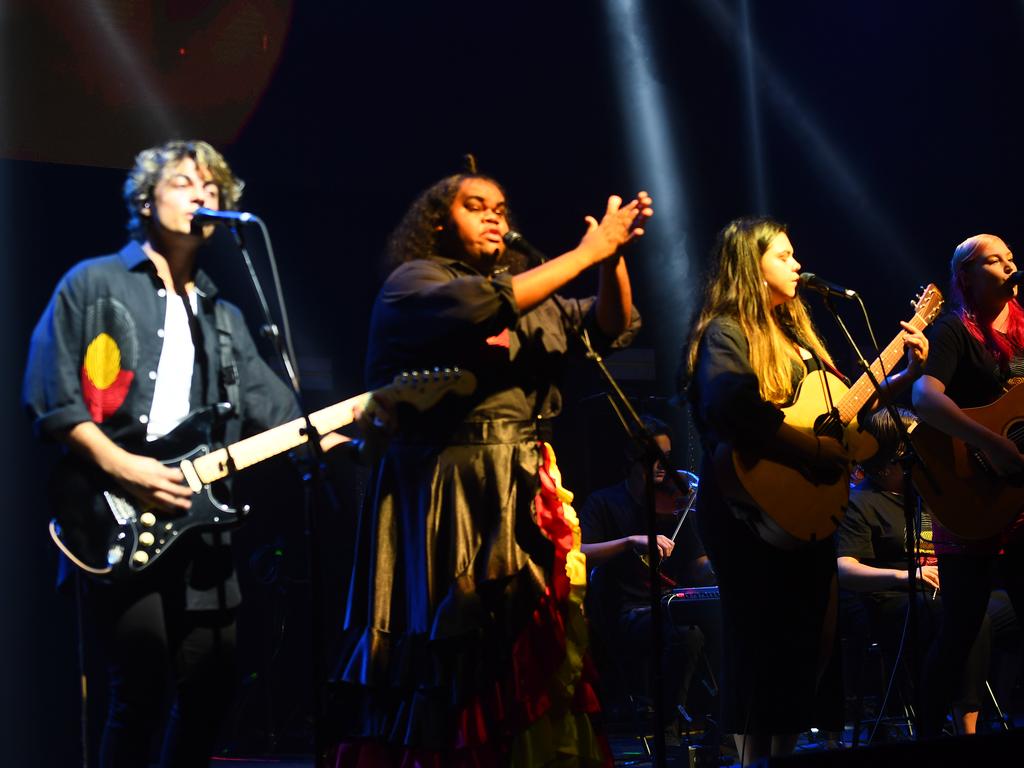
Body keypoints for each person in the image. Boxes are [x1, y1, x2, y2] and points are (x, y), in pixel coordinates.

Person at [23, 140, 345, 767]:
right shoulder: (93, 284)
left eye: (215, 189)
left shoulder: (222, 316)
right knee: (137, 693)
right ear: (145, 200)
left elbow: (280, 414)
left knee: (211, 692)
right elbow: (50, 399)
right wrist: (128, 470)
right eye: (185, 183)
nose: (204, 195)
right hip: (113, 515)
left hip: (200, 534)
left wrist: (352, 431)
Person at [330, 169, 652, 766]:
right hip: (450, 487)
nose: (493, 217)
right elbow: (483, 307)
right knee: (464, 642)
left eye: (500, 207)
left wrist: (613, 259)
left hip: (524, 476)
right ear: (438, 222)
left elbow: (611, 325)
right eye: (475, 206)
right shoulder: (417, 282)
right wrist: (588, 251)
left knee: (533, 640)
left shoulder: (533, 293)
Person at [681, 216, 927, 765]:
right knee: (758, 645)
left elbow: (840, 417)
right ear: (751, 264)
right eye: (784, 255)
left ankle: (782, 756)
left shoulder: (798, 339)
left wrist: (902, 378)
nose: (797, 265)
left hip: (807, 513)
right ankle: (751, 761)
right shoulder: (726, 331)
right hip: (747, 510)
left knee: (809, 645)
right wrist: (813, 451)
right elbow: (732, 408)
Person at [912, 233, 1024, 737]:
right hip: (970, 492)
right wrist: (993, 443)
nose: (1009, 265)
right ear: (966, 278)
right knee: (960, 629)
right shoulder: (954, 331)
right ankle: (929, 733)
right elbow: (924, 397)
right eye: (994, 260)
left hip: (1019, 500)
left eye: (1011, 257)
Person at [836, 407, 993, 735]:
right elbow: (844, 567)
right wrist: (906, 576)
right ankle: (968, 728)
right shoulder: (861, 503)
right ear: (889, 462)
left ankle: (993, 711)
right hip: (894, 601)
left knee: (1001, 610)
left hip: (943, 592)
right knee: (964, 616)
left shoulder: (931, 496)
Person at [579, 414, 717, 741]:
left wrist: (719, 563)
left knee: (724, 620)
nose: (663, 467)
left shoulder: (674, 504)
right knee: (688, 637)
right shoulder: (605, 502)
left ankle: (724, 723)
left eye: (667, 458)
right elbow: (579, 551)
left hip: (671, 605)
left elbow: (698, 564)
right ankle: (666, 729)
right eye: (655, 457)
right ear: (632, 455)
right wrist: (630, 541)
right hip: (625, 611)